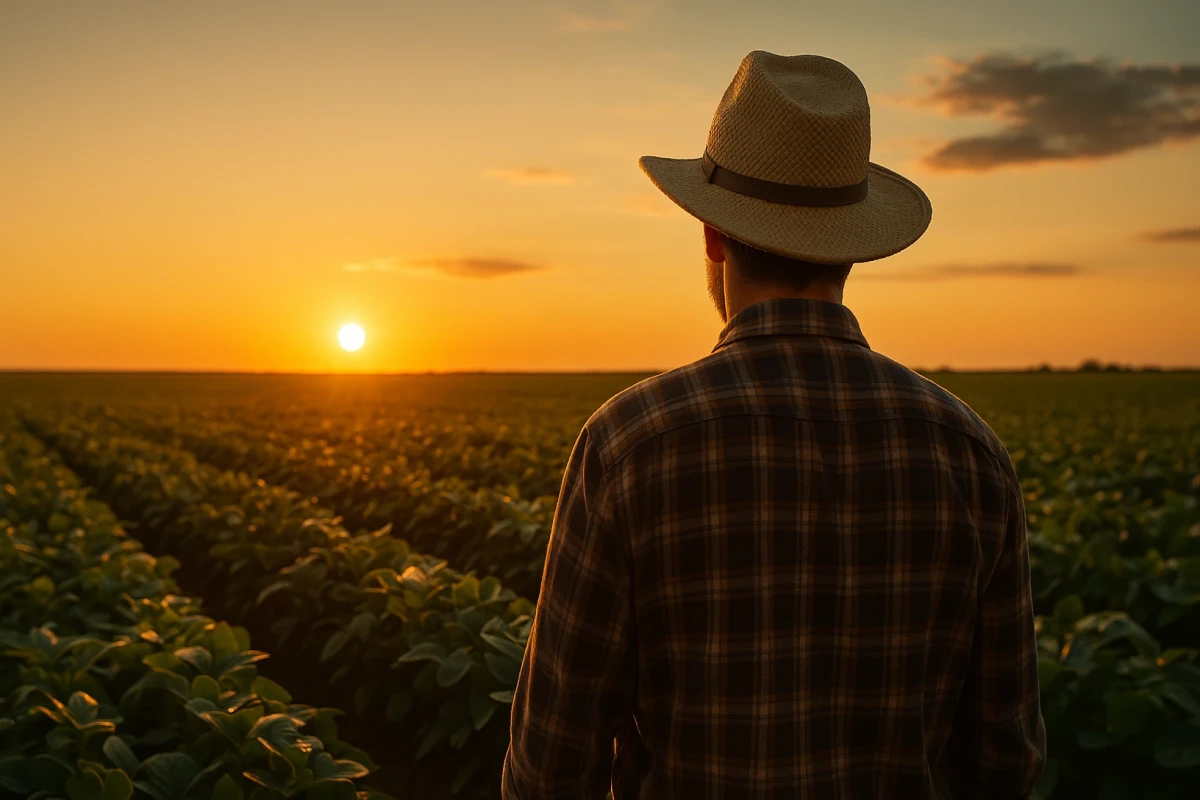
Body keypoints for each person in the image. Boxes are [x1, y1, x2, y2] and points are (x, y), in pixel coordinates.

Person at [502, 50, 1046, 799]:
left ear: (712, 238)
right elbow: (1005, 760)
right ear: (851, 248)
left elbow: (553, 764)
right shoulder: (969, 450)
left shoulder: (632, 441)